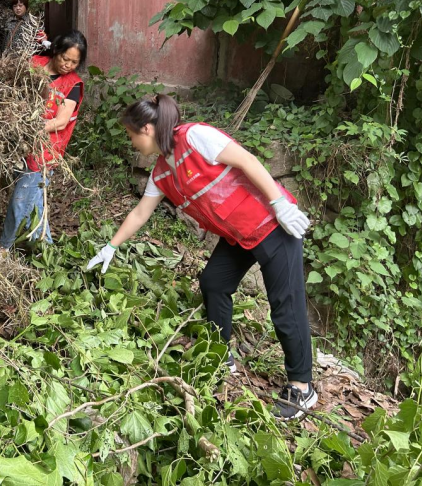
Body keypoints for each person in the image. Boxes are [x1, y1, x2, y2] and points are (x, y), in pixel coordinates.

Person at [86, 94, 316, 420]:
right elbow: (140, 213)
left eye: (132, 135)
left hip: (272, 224)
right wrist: (111, 246)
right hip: (239, 236)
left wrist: (280, 203)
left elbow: (248, 161)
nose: (132, 142)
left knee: (285, 306)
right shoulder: (163, 172)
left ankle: (302, 387)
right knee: (213, 282)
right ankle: (221, 355)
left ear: (148, 129)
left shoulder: (195, 137)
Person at [0, 31, 88, 249]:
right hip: (19, 145)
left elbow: (61, 121)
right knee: (34, 199)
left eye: (74, 62)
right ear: (55, 50)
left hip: (45, 151)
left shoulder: (72, 84)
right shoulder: (33, 64)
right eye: (65, 58)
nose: (68, 65)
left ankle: (3, 250)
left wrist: (30, 127)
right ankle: (46, 248)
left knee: (21, 201)